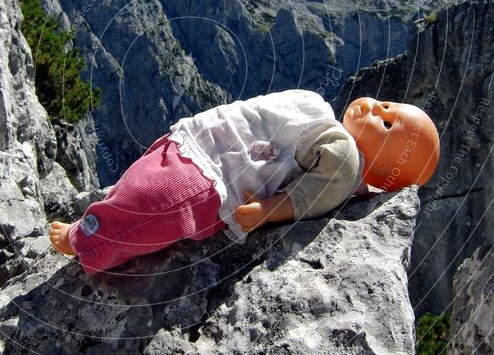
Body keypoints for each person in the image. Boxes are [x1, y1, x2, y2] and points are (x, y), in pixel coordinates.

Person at [49, 90, 440, 275]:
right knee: (140, 185)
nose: (374, 108)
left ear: (385, 166)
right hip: (202, 147)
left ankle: (90, 240)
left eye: (387, 123)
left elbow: (320, 187)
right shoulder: (322, 113)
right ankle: (95, 226)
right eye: (386, 104)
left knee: (150, 205)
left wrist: (270, 210)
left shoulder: (344, 155)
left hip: (211, 175)